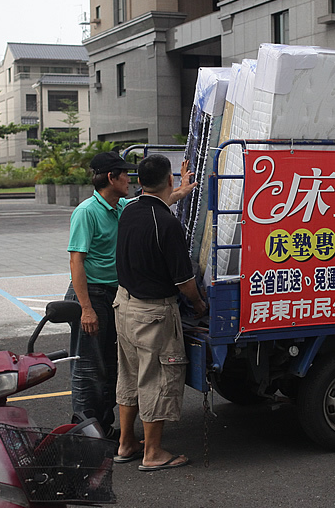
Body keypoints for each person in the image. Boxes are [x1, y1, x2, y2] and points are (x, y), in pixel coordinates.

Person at [113, 154, 207, 471]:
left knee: (129, 376)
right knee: (157, 379)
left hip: (124, 306)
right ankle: (152, 453)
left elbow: (161, 202)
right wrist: (198, 303)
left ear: (139, 183)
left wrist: (181, 190)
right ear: (167, 180)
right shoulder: (168, 225)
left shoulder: (128, 211)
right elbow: (185, 282)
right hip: (153, 314)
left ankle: (126, 443)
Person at [64, 151, 136, 437]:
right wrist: (86, 309)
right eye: (125, 174)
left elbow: (154, 203)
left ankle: (103, 428)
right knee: (87, 369)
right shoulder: (86, 212)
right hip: (90, 295)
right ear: (111, 177)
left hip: (112, 294)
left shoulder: (120, 207)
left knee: (109, 365)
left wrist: (180, 190)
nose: (129, 180)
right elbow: (76, 262)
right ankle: (86, 433)